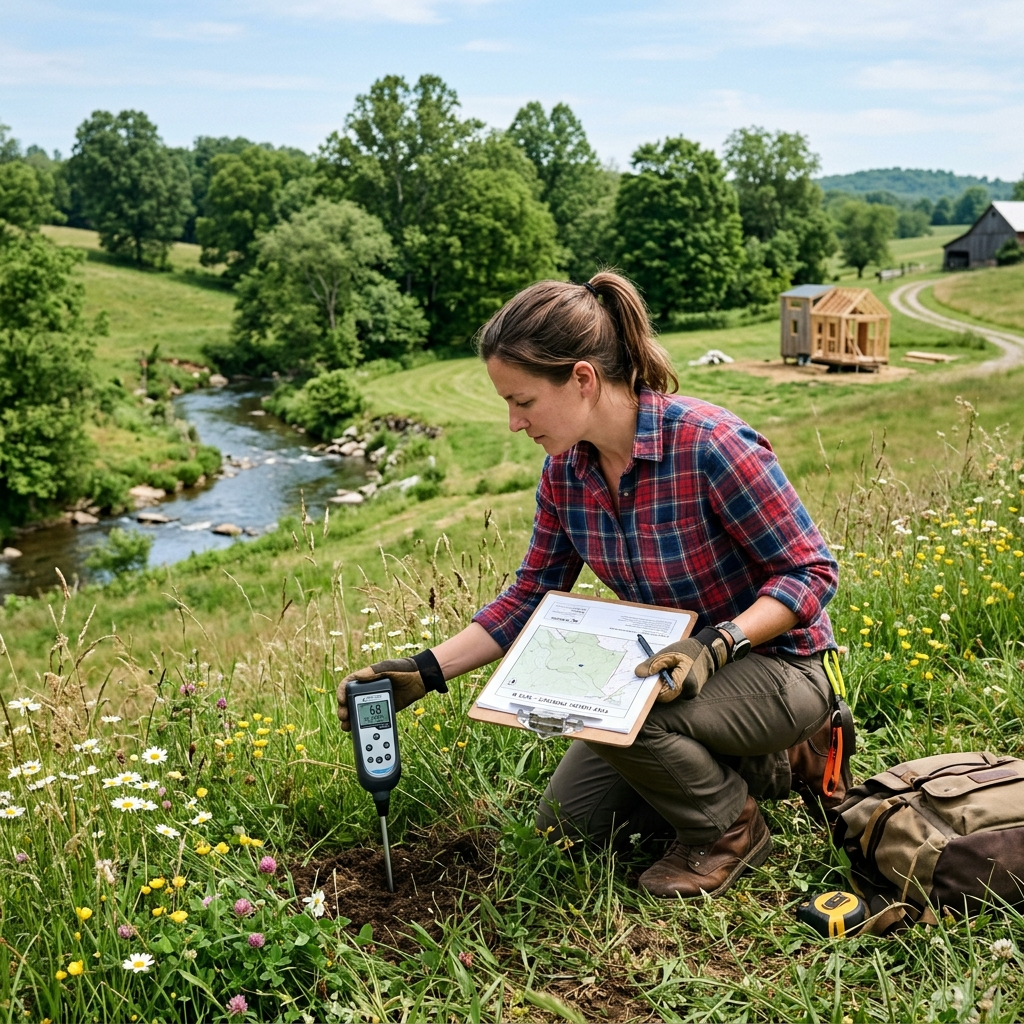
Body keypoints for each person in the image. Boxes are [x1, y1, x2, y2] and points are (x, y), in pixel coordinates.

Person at [338, 272, 852, 899]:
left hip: (777, 667)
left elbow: (811, 571)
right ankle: (762, 762)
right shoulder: (565, 474)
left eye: (523, 401)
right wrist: (425, 671)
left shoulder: (709, 444)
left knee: (621, 710)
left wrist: (715, 645)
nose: (512, 423)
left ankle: (731, 829)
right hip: (669, 674)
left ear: (582, 379)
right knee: (567, 827)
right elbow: (529, 597)